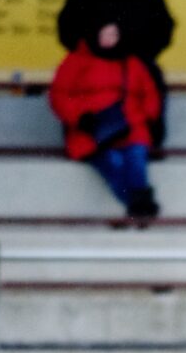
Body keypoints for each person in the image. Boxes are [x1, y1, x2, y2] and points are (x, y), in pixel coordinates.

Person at [57, 0, 175, 151]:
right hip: (92, 63)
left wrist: (136, 49)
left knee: (152, 82)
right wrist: (94, 42)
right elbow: (66, 27)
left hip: (134, 63)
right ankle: (81, 137)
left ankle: (151, 138)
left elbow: (164, 29)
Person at [49, 17, 162, 222]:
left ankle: (138, 206)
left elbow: (150, 95)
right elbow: (58, 96)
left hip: (130, 128)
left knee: (136, 156)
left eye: (114, 35)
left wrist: (147, 116)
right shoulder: (75, 62)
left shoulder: (131, 62)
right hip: (92, 133)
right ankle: (138, 206)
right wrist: (80, 118)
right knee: (112, 162)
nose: (110, 40)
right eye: (106, 34)